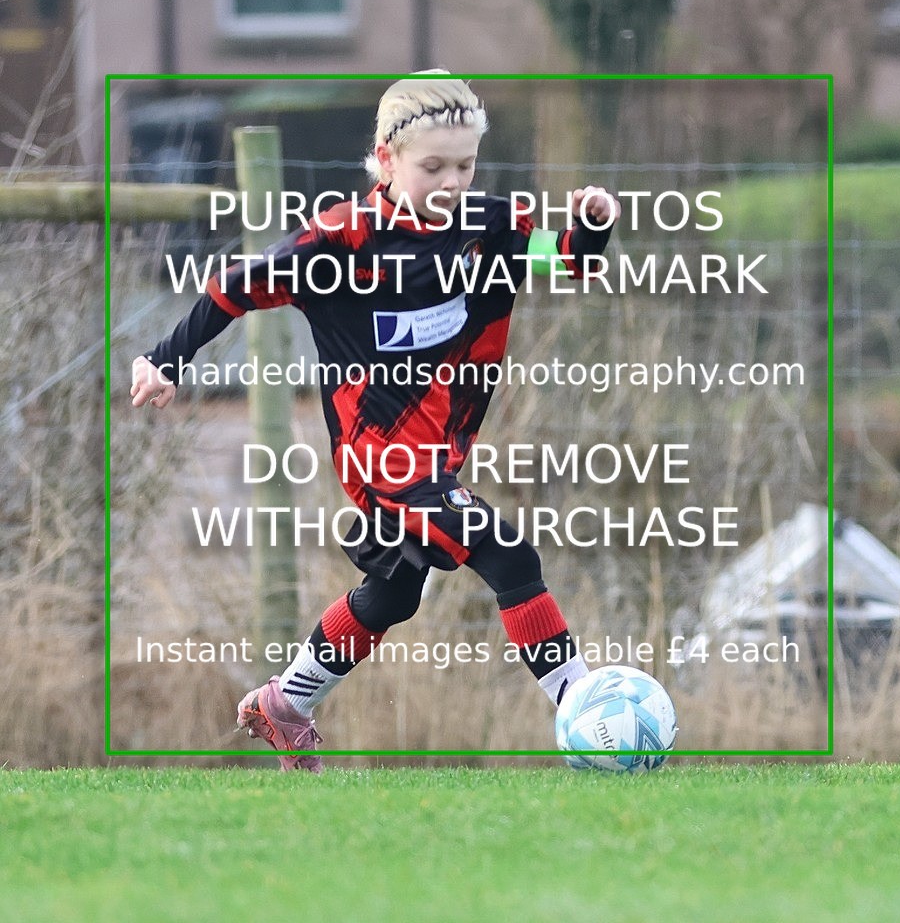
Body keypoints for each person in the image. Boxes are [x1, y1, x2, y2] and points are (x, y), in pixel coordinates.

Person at [131, 72, 620, 771]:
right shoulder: (341, 243)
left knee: (394, 592)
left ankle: (286, 703)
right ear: (386, 160)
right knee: (507, 552)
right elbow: (232, 287)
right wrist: (164, 358)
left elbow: (567, 260)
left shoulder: (492, 227)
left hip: (438, 460)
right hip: (380, 458)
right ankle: (584, 710)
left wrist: (592, 227)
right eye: (433, 166)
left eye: (465, 165)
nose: (452, 181)